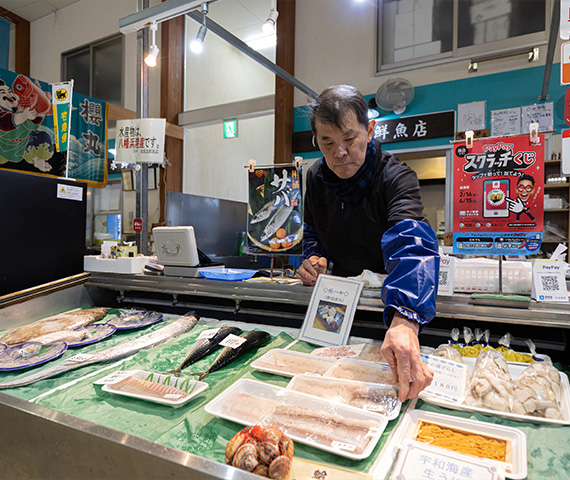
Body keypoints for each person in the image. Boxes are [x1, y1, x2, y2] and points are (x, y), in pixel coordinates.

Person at [297, 85, 440, 401]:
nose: (340, 153)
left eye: (350, 139)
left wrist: (405, 319)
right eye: (328, 143)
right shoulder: (316, 177)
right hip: (336, 307)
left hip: (388, 311)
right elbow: (311, 230)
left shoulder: (396, 176)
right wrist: (314, 258)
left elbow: (412, 243)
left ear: (370, 130)